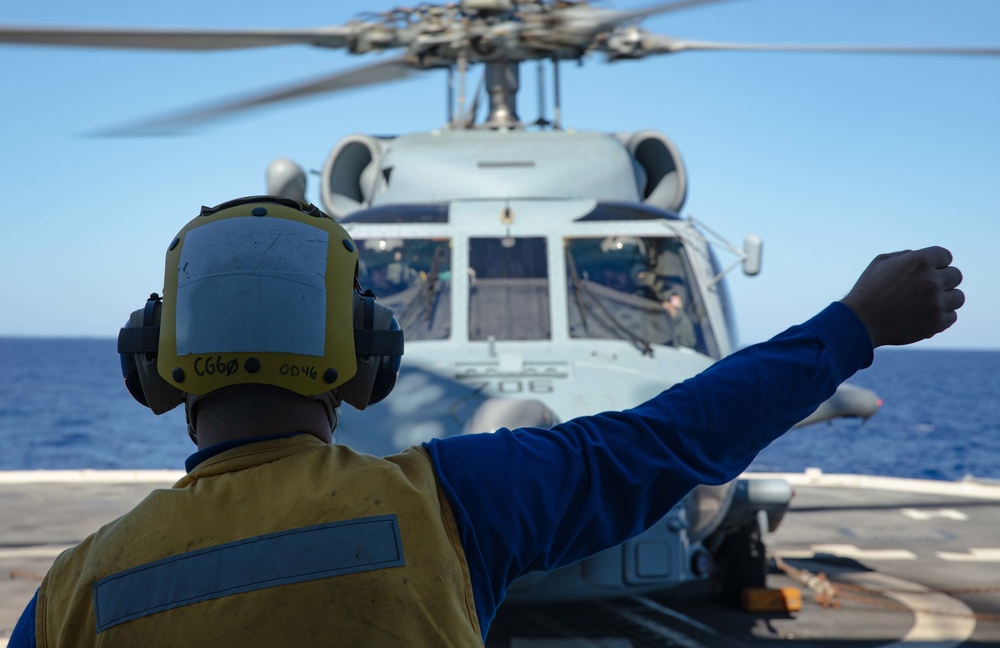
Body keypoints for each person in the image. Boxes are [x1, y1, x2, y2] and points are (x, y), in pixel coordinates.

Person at [11, 195, 964, 647]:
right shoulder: (448, 506)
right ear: (366, 351)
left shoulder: (70, 596)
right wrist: (854, 326)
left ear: (154, 363)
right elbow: (669, 440)